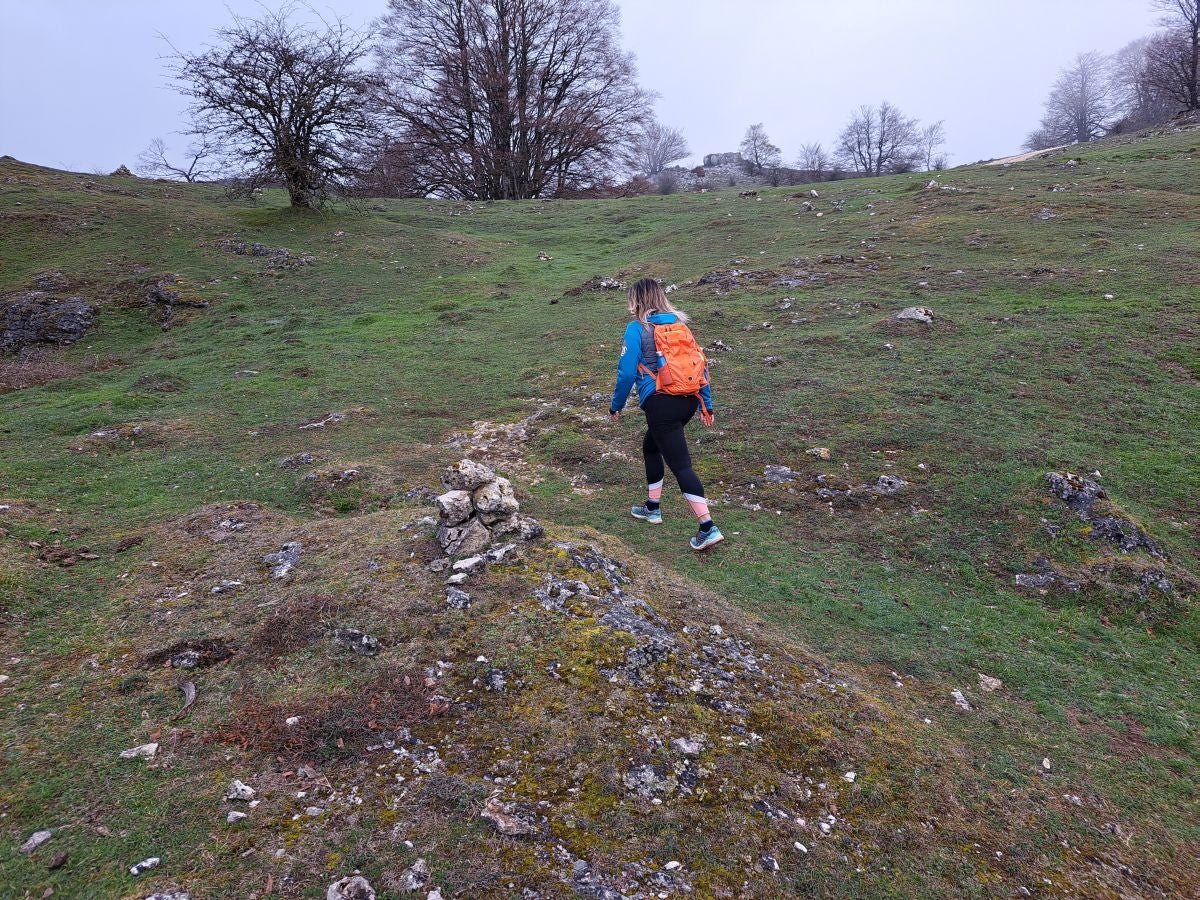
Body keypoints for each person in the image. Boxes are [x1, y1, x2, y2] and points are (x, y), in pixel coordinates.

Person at [608, 278, 723, 551]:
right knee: (651, 446)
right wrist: (706, 404)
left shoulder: (637, 328)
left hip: (662, 404)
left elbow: (626, 372)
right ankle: (652, 506)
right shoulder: (680, 326)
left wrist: (616, 405)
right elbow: (700, 366)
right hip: (687, 401)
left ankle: (707, 526)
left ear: (636, 300)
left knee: (681, 465)